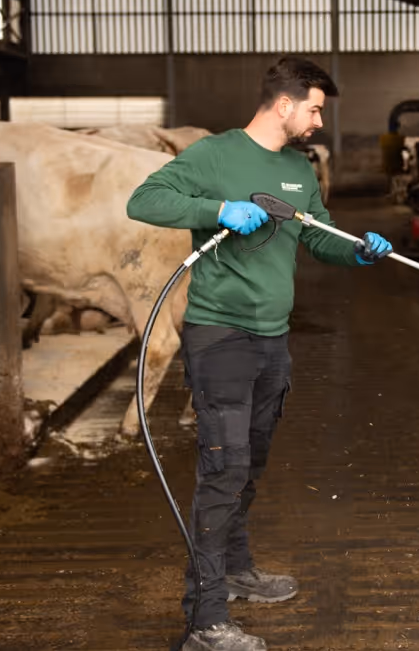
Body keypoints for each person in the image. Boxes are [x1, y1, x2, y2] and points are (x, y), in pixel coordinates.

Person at [126, 55, 393, 651]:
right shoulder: (214, 156)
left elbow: (318, 236)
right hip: (220, 335)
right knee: (224, 468)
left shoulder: (298, 168)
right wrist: (216, 211)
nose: (319, 121)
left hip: (273, 339)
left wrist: (359, 252)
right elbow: (144, 200)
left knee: (251, 461)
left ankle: (237, 568)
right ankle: (204, 618)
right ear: (284, 104)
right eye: (315, 108)